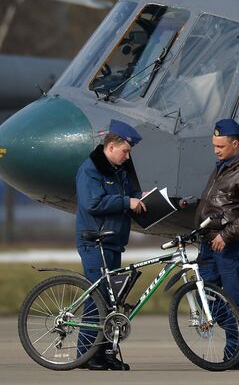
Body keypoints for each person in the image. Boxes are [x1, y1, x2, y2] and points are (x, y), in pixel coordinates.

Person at [75, 119, 145, 371]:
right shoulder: (90, 170)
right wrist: (127, 203)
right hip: (94, 242)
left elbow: (131, 193)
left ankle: (104, 354)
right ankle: (87, 355)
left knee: (111, 302)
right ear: (112, 146)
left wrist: (141, 198)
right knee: (98, 300)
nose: (128, 156)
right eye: (125, 151)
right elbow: (92, 203)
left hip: (113, 242)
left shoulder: (118, 171)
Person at [195, 118, 239, 368]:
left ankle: (232, 355)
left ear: (235, 144)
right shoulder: (222, 167)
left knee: (236, 301)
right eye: (214, 145)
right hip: (209, 244)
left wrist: (227, 235)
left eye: (221, 146)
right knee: (206, 297)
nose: (216, 150)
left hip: (231, 247)